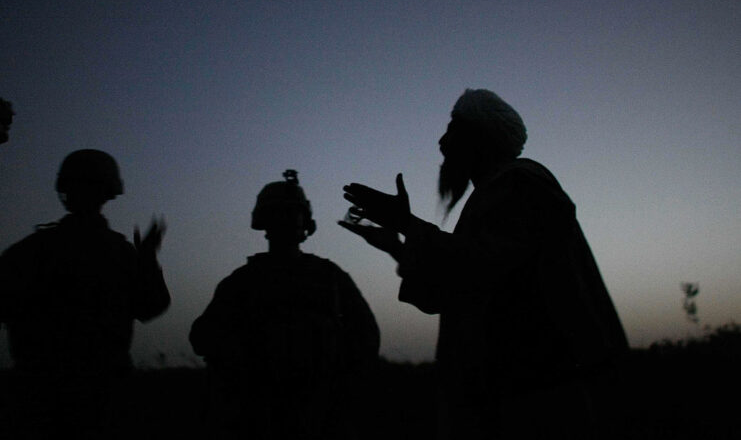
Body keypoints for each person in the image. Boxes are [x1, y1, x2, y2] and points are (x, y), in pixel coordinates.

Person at [339, 89, 629, 439]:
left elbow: (477, 264)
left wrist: (407, 224)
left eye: (453, 130)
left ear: (482, 137)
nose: (442, 142)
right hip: (508, 395)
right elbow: (453, 290)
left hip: (540, 394)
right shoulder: (492, 196)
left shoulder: (523, 183)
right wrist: (396, 246)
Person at [190, 170, 380, 440]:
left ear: (304, 222)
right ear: (265, 223)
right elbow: (202, 337)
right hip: (257, 414)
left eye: (292, 214)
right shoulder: (242, 282)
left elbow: (366, 337)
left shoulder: (330, 277)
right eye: (279, 214)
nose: (287, 222)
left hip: (321, 411)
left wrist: (342, 383)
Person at [0, 149, 170, 438]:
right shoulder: (120, 254)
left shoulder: (28, 250)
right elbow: (151, 307)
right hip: (100, 393)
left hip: (38, 394)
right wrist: (147, 260)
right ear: (109, 192)